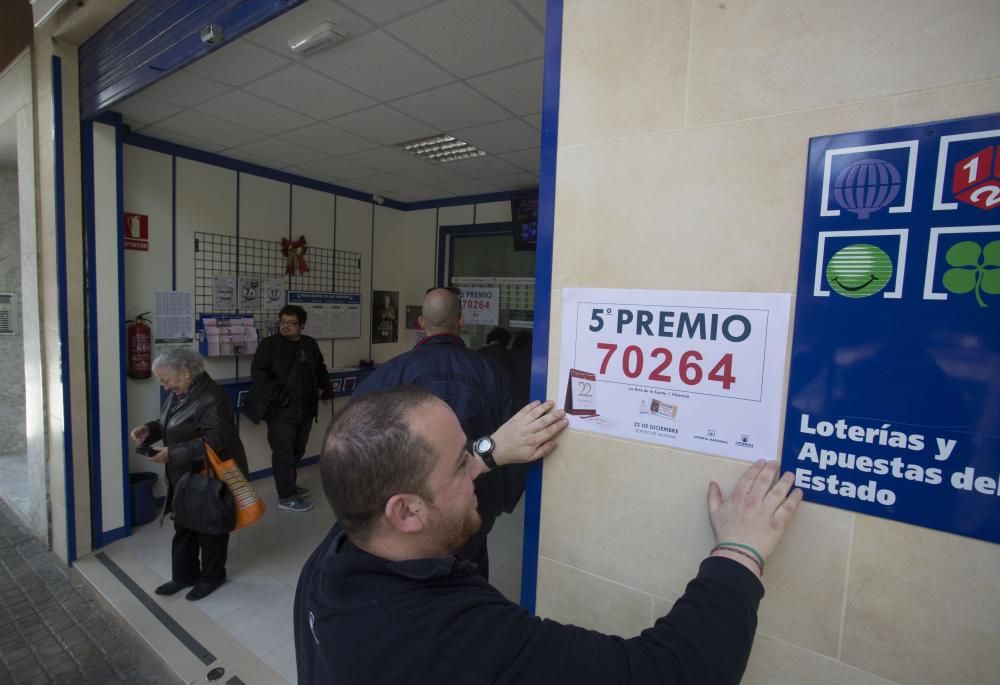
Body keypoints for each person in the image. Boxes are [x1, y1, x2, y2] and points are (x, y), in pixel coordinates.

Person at [295, 386, 803, 684]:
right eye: (461, 465)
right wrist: (739, 551)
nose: (477, 469)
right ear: (405, 511)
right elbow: (673, 672)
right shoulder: (456, 642)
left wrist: (491, 448)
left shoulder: (335, 557)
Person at [352, 287, 514, 578]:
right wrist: (499, 501)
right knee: (472, 577)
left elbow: (355, 440)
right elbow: (513, 437)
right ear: (461, 320)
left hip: (411, 502)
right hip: (474, 499)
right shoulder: (492, 372)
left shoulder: (392, 374)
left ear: (420, 323)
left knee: (413, 580)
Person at [130, 348, 249, 601]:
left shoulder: (212, 397)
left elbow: (215, 439)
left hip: (209, 476)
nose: (165, 387)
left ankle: (213, 576)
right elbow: (173, 423)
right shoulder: (182, 391)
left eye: (166, 380)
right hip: (185, 475)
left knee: (210, 530)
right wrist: (149, 430)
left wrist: (171, 453)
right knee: (183, 526)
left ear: (185, 373)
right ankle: (184, 576)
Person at [250, 304, 333, 513]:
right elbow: (259, 373)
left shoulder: (310, 344)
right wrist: (278, 397)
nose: (286, 327)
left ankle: (290, 485)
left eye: (292, 323)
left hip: (305, 409)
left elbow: (320, 368)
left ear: (302, 325)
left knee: (298, 450)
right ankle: (286, 496)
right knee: (283, 453)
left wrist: (327, 388)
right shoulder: (269, 345)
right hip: (281, 411)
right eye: (283, 322)